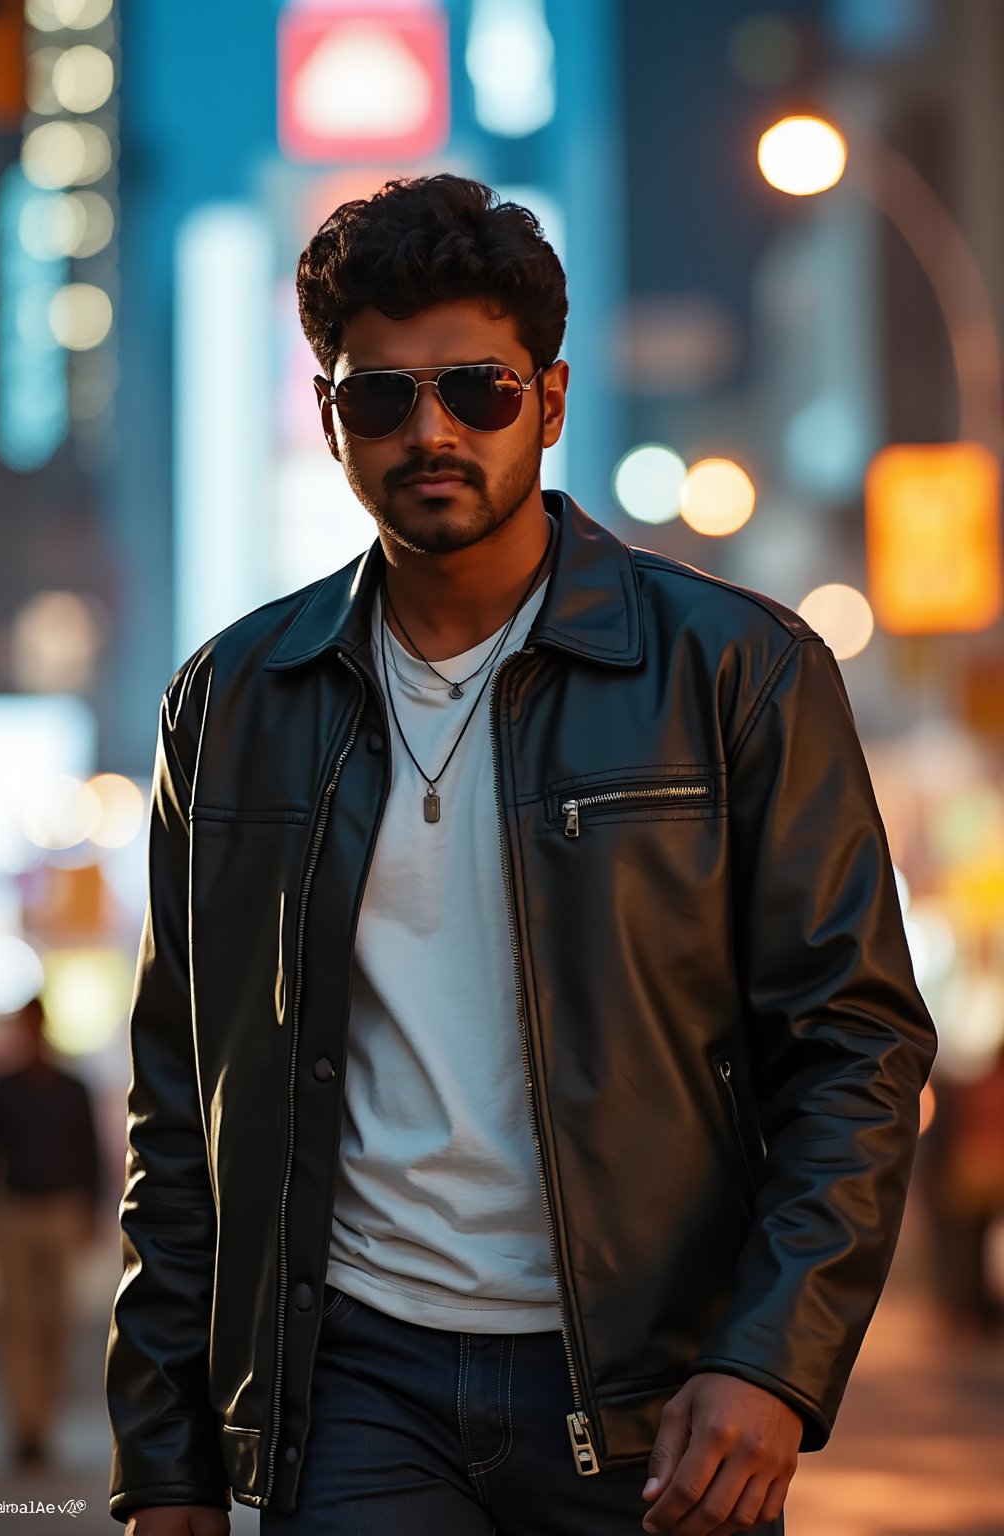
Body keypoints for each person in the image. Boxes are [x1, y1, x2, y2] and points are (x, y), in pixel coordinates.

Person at [105, 174, 937, 1536]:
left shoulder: (735, 673)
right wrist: (169, 1458)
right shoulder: (233, 704)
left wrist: (770, 1362)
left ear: (548, 402)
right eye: (380, 396)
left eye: (476, 391)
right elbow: (177, 1102)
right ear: (329, 422)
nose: (428, 432)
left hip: (653, 1387)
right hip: (352, 1384)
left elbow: (855, 1041)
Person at [0, 994, 101, 1465]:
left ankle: (43, 1420)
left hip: (59, 1211)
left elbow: (88, 1152)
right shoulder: (5, 1089)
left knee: (54, 1323)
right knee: (18, 1323)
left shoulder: (73, 1088)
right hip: (16, 1210)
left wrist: (88, 1210)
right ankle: (27, 1426)